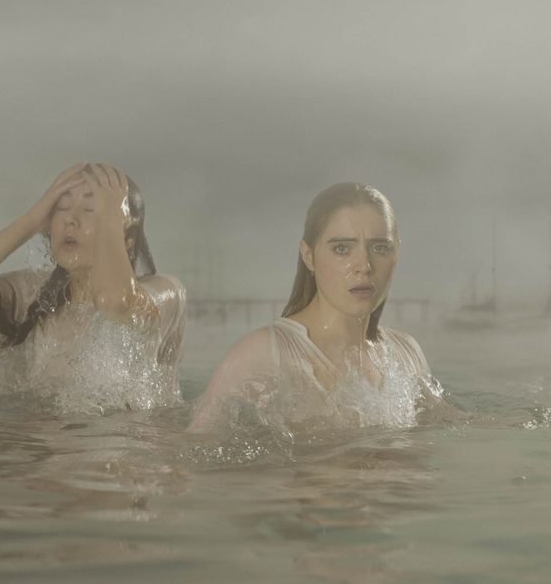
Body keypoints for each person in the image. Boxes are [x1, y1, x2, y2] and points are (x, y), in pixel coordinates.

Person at [189, 182, 451, 433]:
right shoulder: (264, 355)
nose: (364, 265)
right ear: (308, 256)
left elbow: (452, 425)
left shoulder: (405, 354)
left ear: (397, 253)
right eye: (342, 249)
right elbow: (192, 453)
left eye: (380, 248)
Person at [0, 162, 185, 410]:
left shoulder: (165, 293)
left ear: (127, 235)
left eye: (92, 209)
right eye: (62, 208)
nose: (71, 220)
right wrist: (30, 222)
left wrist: (110, 219)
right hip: (36, 444)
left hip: (121, 449)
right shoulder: (31, 293)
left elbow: (114, 302)